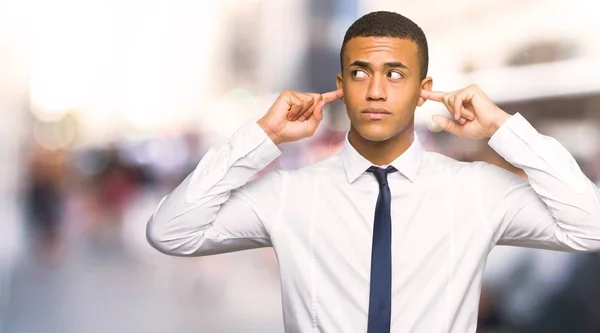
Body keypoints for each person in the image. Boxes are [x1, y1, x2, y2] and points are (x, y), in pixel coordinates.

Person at [145, 11, 600, 333]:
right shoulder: (290, 193)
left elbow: (591, 228)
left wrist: (504, 129)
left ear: (425, 90)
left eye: (396, 74)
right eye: (361, 73)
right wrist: (261, 136)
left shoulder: (476, 189)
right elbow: (171, 232)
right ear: (340, 87)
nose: (377, 91)